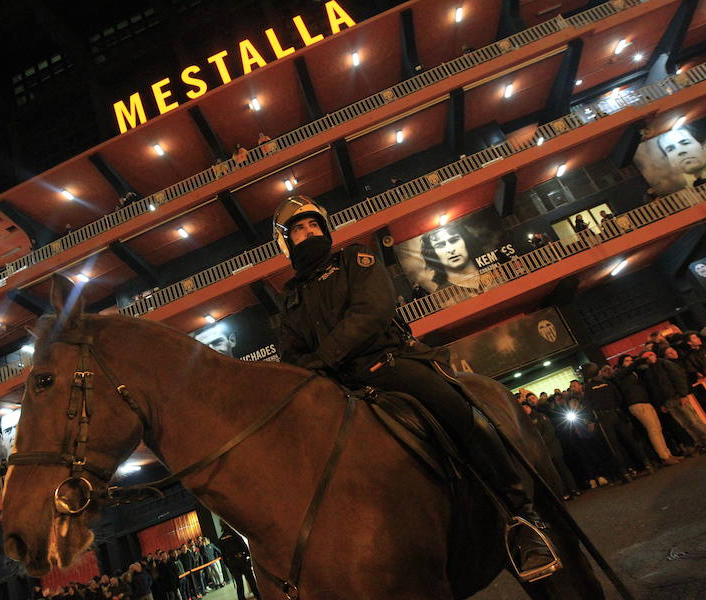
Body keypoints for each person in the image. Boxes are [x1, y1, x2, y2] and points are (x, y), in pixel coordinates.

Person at [272, 195, 559, 581]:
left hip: (388, 364)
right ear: (286, 242)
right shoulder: (290, 301)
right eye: (299, 230)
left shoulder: (356, 260)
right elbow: (290, 354)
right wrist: (311, 370)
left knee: (458, 412)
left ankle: (521, 516)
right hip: (336, 388)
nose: (308, 233)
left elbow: (372, 311)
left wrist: (322, 358)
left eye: (313, 226)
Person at [580, 363, 653, 479]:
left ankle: (625, 472)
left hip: (603, 418)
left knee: (614, 446)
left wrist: (591, 420)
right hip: (616, 414)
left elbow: (586, 406)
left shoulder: (588, 389)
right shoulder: (608, 383)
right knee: (630, 440)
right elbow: (618, 398)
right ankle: (646, 463)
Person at [635, 350, 706, 453]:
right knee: (685, 423)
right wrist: (661, 403)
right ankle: (700, 442)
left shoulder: (665, 364)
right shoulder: (649, 371)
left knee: (693, 420)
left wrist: (683, 394)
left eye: (651, 355)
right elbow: (654, 389)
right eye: (647, 358)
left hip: (677, 396)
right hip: (668, 400)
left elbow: (678, 378)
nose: (650, 358)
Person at [615, 355, 681, 466]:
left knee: (657, 428)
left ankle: (667, 454)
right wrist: (637, 362)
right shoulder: (621, 373)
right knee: (653, 429)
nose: (630, 362)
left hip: (645, 401)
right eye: (626, 361)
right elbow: (629, 369)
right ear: (621, 363)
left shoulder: (634, 373)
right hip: (637, 403)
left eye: (630, 360)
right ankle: (664, 456)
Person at [420, 224, 483, 296]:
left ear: (467, 241)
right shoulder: (442, 295)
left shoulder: (495, 270)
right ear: (433, 254)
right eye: (440, 245)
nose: (450, 250)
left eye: (454, 240)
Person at [218, 526, 261, 600]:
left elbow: (223, 555)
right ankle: (259, 597)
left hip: (232, 564)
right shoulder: (235, 535)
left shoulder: (221, 539)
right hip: (242, 561)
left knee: (239, 584)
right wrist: (247, 558)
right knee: (252, 582)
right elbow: (244, 547)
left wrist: (228, 566)